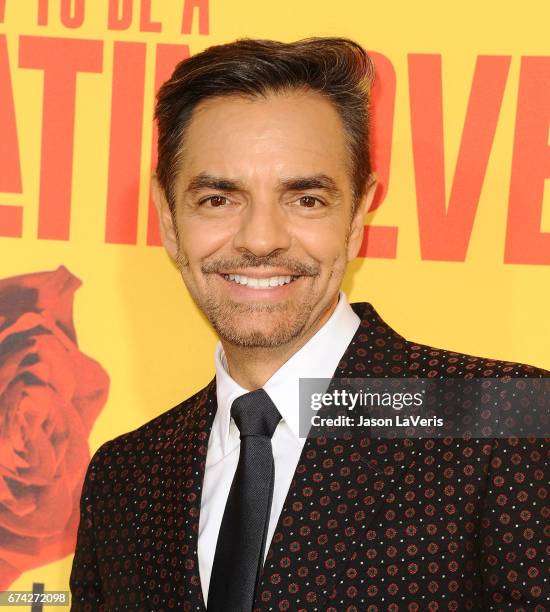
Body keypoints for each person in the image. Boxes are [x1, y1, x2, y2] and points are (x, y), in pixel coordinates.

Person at [69, 38, 549, 611]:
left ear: (357, 217)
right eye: (219, 199)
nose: (261, 239)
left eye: (306, 200)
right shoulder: (125, 475)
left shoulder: (504, 423)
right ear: (168, 219)